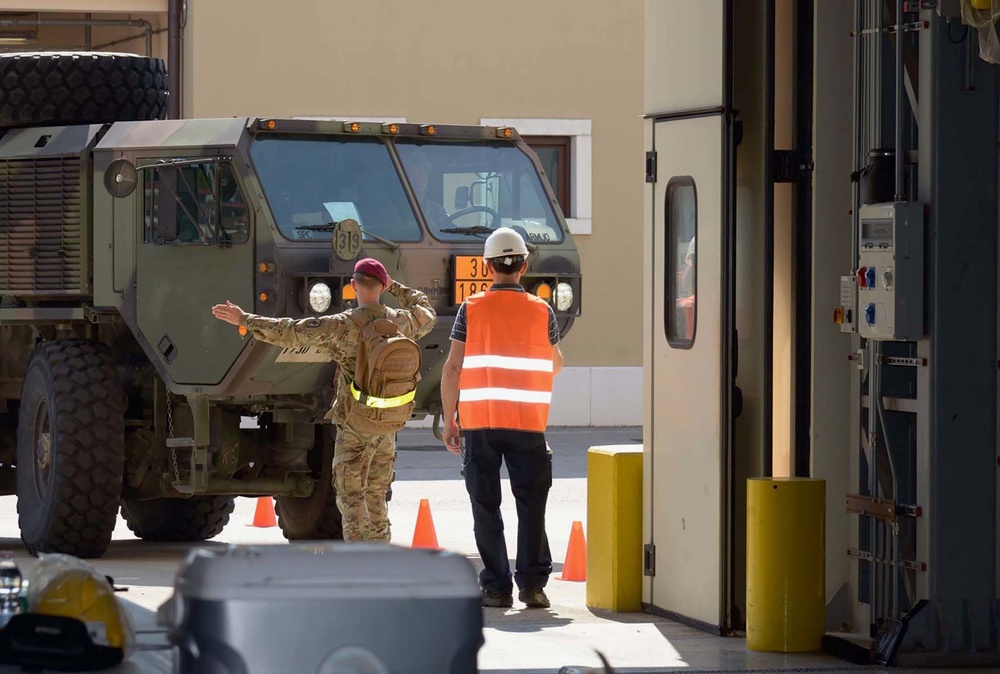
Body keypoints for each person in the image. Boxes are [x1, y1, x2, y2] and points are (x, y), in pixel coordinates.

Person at [211, 258, 436, 542]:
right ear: (382, 286)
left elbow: (289, 332)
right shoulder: (402, 322)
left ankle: (357, 561)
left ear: (353, 286)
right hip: (388, 424)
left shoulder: (343, 325)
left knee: (352, 495)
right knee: (377, 493)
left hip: (356, 423)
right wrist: (398, 288)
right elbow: (427, 311)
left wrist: (244, 319)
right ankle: (380, 558)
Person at [440, 227, 564, 609]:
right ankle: (532, 586)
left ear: (487, 265)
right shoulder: (542, 310)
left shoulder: (471, 309)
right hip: (528, 423)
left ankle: (495, 587)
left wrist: (449, 420)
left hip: (480, 423)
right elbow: (556, 363)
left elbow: (452, 368)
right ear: (524, 265)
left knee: (485, 505)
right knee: (531, 505)